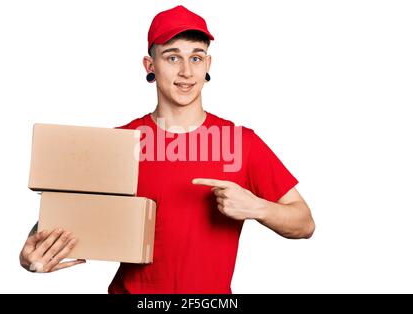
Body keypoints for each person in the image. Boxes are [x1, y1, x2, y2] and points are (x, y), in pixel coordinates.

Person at [20, 5, 315, 293]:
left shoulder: (239, 143)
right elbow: (66, 211)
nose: (186, 71)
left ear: (208, 65)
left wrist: (257, 207)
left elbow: (304, 222)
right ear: (150, 66)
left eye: (196, 58)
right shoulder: (121, 142)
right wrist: (33, 250)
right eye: (173, 57)